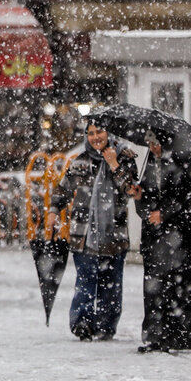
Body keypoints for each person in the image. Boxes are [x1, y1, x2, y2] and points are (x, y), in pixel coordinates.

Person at [133, 131, 191, 352]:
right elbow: (145, 208)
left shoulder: (185, 164)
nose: (153, 147)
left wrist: (164, 214)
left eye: (156, 143)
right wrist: (140, 198)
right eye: (149, 143)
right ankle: (160, 336)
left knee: (185, 285)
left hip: (185, 241)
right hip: (158, 242)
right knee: (158, 288)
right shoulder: (151, 165)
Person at [49, 118, 137, 340]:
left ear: (109, 133)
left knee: (111, 283)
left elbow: (131, 191)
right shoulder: (80, 161)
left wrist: (114, 164)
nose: (96, 137)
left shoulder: (125, 158)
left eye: (100, 132)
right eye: (90, 133)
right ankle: (82, 325)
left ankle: (106, 326)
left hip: (114, 234)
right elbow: (63, 189)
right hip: (83, 234)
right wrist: (52, 211)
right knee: (85, 280)